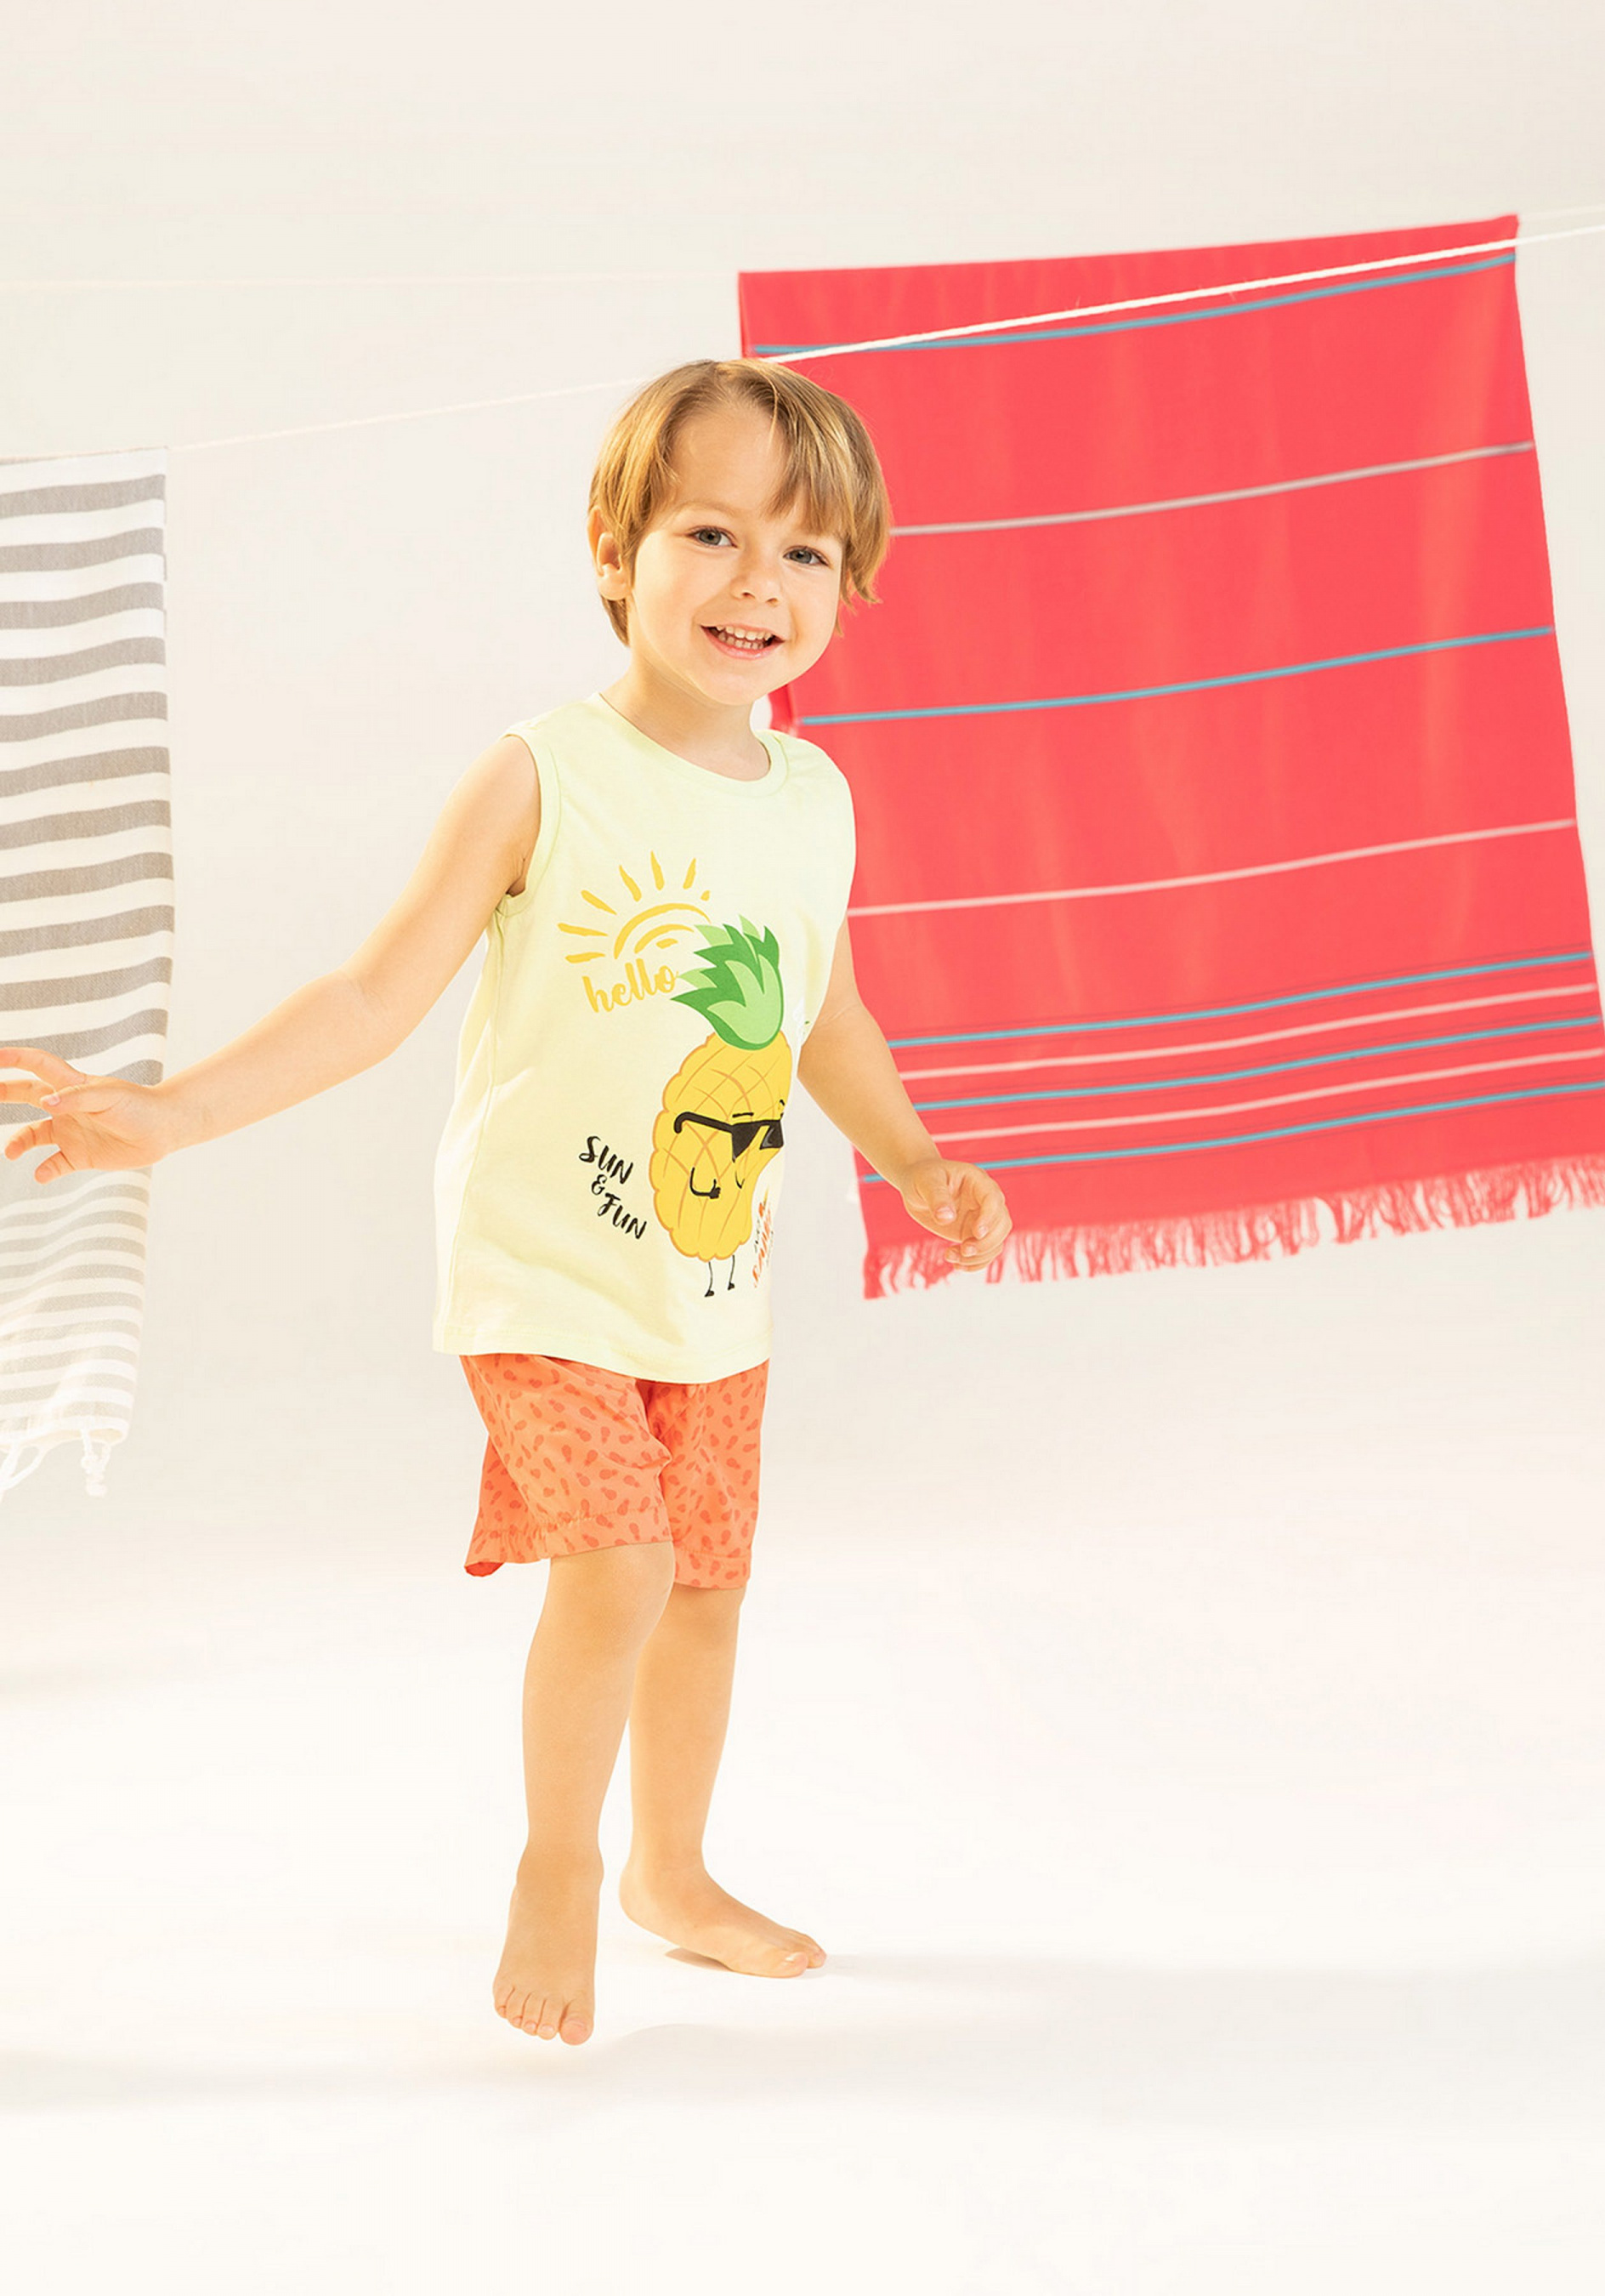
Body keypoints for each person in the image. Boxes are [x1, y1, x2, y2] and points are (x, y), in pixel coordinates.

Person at [0, 358, 1012, 2046]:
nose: (758, 583)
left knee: (705, 1590)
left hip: (711, 1279)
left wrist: (913, 1161)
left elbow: (825, 1013)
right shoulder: (544, 773)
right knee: (618, 1565)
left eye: (805, 552)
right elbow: (369, 994)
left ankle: (671, 1873)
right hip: (540, 1270)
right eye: (710, 533)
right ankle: (560, 1860)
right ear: (615, 548)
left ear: (849, 586)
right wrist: (172, 1118)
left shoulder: (814, 800)